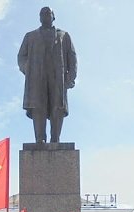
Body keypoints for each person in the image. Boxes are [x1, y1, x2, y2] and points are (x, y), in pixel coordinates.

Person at [18, 6, 77, 144]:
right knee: (38, 107)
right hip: (37, 77)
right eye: (42, 14)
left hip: (58, 76)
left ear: (53, 16)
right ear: (39, 18)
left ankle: (55, 139)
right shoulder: (30, 36)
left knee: (57, 106)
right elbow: (21, 56)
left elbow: (72, 57)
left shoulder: (63, 35)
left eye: (48, 13)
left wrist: (71, 76)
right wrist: (28, 69)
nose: (45, 15)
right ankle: (40, 139)